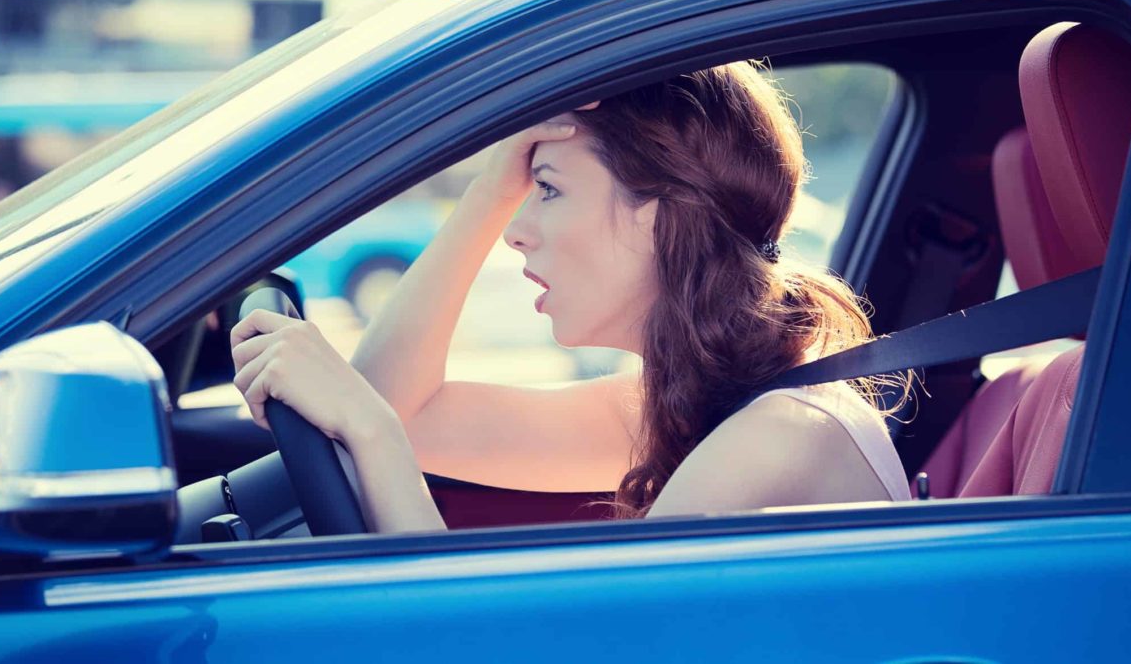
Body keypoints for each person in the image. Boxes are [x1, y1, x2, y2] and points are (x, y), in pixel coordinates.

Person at [230, 61, 911, 534]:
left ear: (660, 215)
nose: (516, 233)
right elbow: (396, 407)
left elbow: (506, 648)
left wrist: (369, 428)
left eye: (548, 187)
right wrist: (492, 187)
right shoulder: (684, 403)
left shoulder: (780, 434)